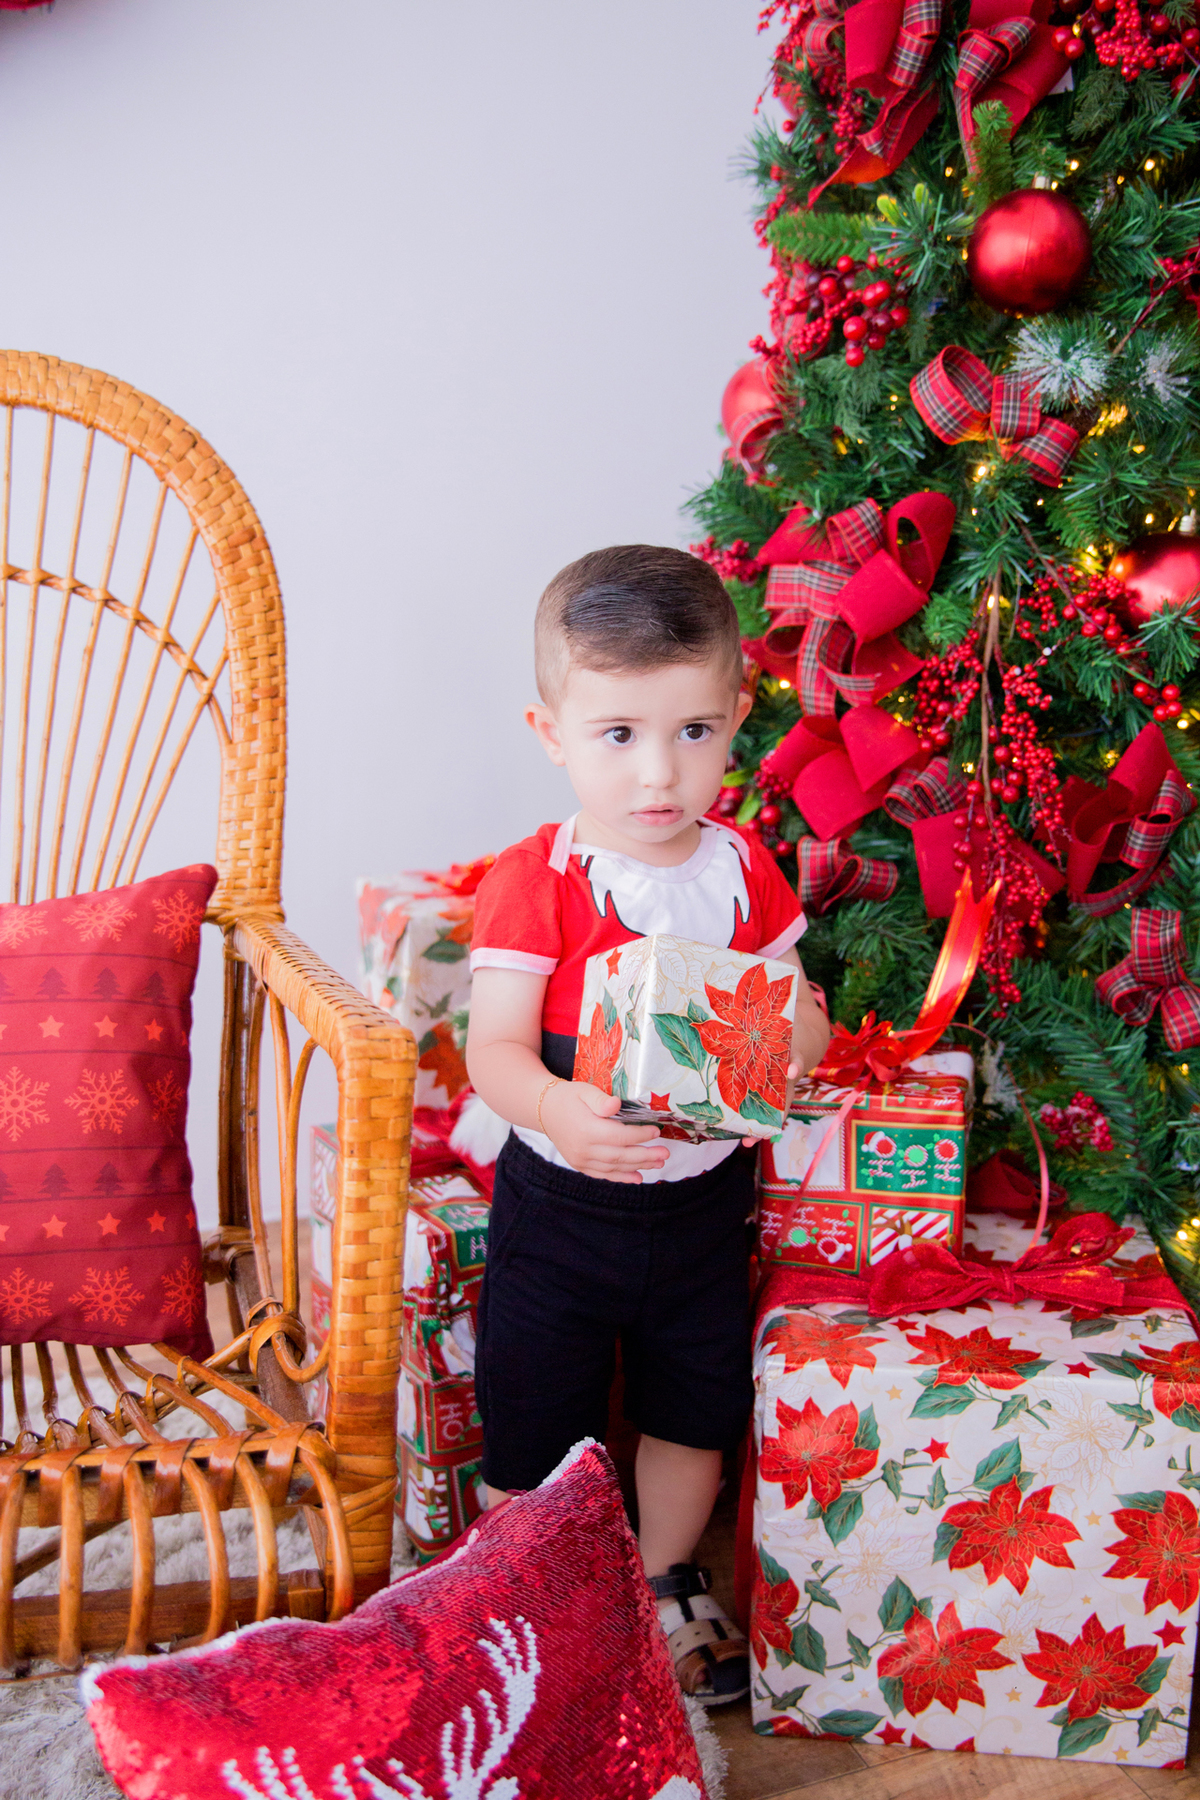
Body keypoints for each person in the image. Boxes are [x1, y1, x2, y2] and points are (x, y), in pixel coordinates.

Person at [465, 544, 830, 1704]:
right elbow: (494, 1051)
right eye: (619, 735)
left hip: (703, 1201)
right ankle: (531, 1589)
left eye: (695, 733)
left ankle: (670, 1579)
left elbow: (796, 1005)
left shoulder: (742, 871)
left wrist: (800, 1036)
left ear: (734, 719)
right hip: (564, 1205)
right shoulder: (542, 878)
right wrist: (558, 1110)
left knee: (694, 1402)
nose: (660, 774)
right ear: (551, 730)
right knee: (536, 1404)